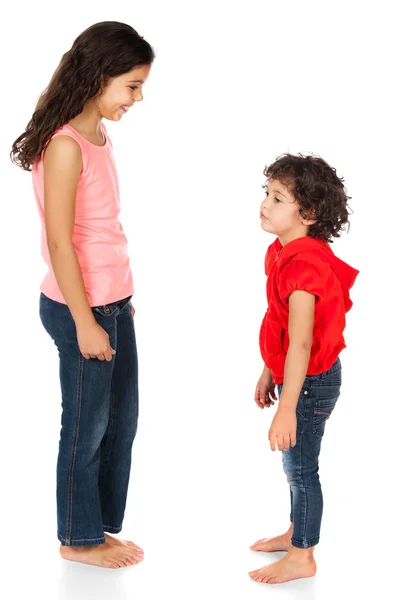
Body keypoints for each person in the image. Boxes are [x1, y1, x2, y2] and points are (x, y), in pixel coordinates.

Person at [10, 21, 155, 569]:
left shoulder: (98, 136)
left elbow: (102, 229)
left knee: (121, 418)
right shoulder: (66, 146)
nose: (138, 98)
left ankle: (95, 526)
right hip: (79, 308)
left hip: (110, 301)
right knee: (86, 425)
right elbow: (60, 241)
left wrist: (118, 298)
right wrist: (87, 320)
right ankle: (76, 537)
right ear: (99, 77)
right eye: (132, 86)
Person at [249, 154, 359, 584]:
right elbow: (279, 327)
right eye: (266, 193)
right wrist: (266, 370)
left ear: (308, 214)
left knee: (301, 470)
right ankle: (297, 531)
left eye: (278, 198)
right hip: (298, 377)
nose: (265, 204)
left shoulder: (303, 266)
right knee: (294, 466)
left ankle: (302, 556)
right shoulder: (281, 251)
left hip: (310, 384)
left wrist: (287, 406)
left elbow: (301, 343)